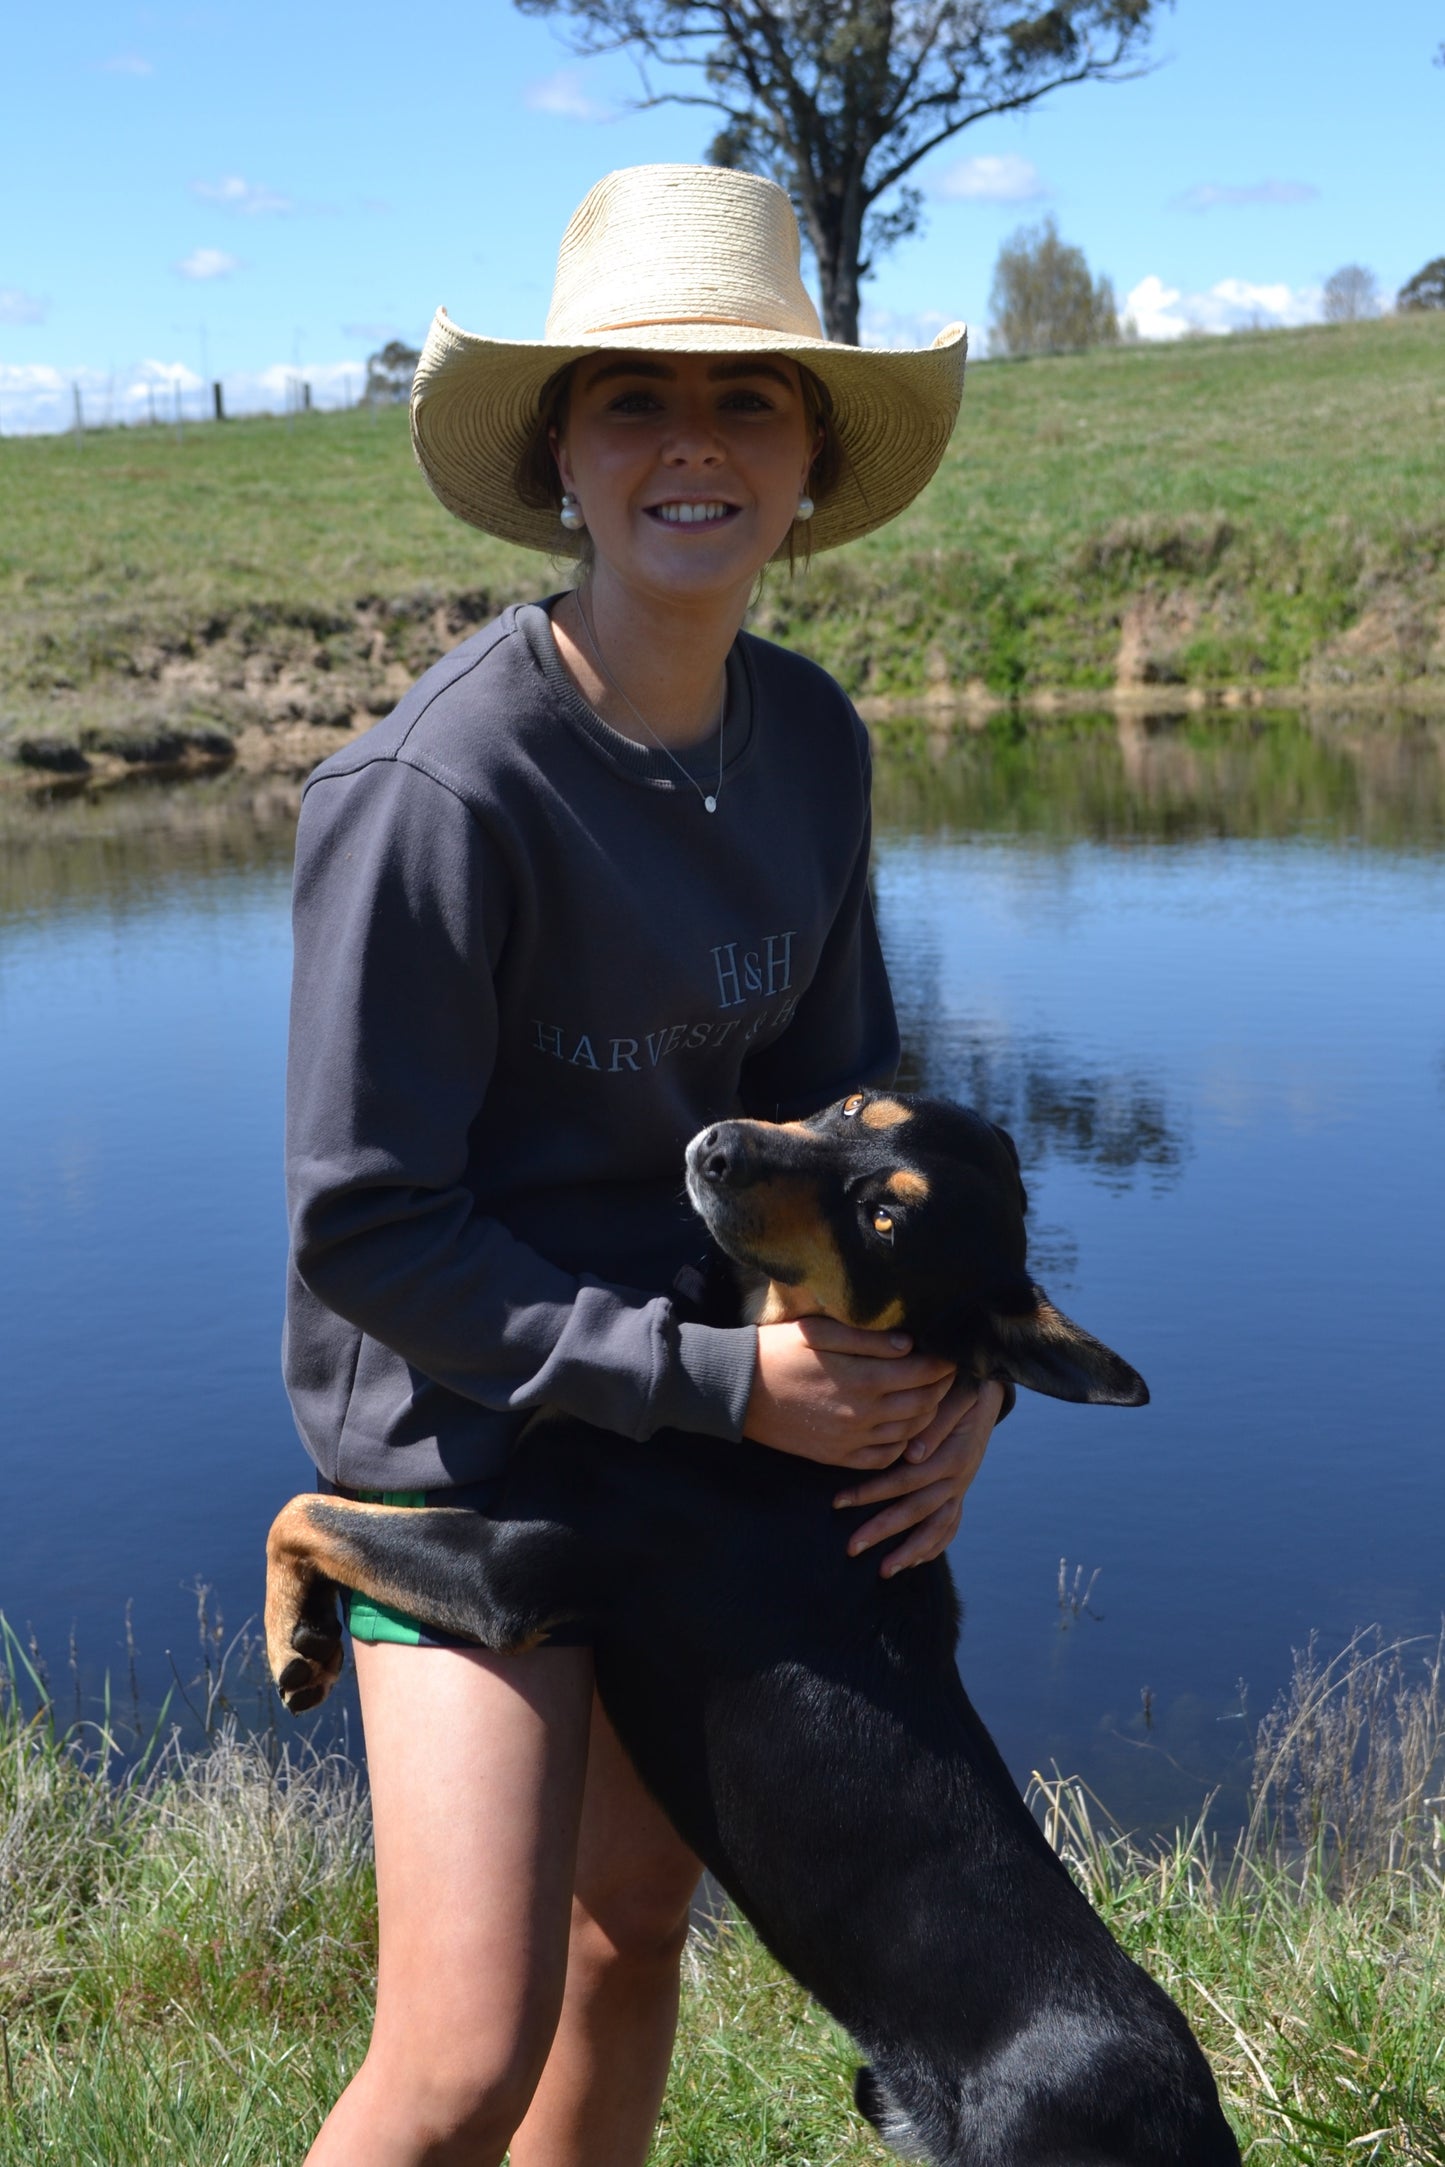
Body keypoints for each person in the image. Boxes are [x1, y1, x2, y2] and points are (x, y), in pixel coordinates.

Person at [283, 162, 1006, 2167]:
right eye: (633, 399)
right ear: (563, 465)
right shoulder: (438, 792)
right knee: (460, 2045)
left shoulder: (816, 741)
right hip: (468, 1442)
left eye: (748, 399)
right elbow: (366, 1225)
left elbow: (855, 1119)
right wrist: (727, 1387)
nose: (693, 438)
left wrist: (947, 1384)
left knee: (630, 1945)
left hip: (702, 1429)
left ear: (803, 473)